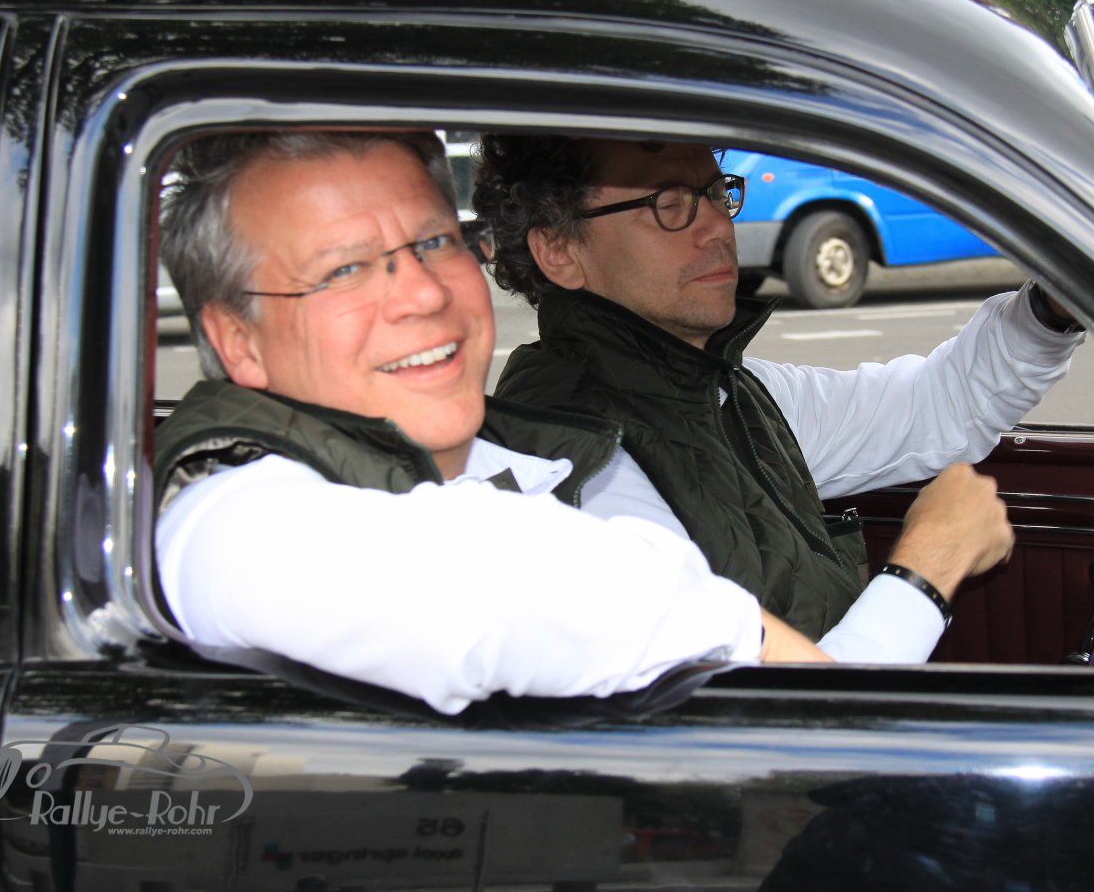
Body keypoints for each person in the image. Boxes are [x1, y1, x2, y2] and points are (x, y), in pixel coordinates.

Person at [151, 130, 830, 716]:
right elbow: (511, 588)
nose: (424, 292)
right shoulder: (229, 519)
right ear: (238, 340)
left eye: (433, 241)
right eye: (346, 269)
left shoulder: (535, 460)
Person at [472, 135, 1084, 661]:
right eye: (669, 204)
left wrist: (1052, 308)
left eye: (716, 193)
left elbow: (938, 406)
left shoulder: (727, 393)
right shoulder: (575, 466)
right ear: (559, 250)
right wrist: (928, 567)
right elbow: (765, 725)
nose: (717, 226)